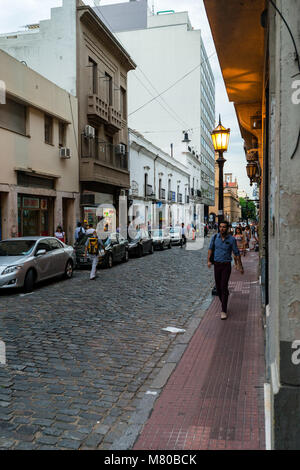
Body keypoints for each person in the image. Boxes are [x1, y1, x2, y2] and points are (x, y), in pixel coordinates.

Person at [207, 221, 244, 320]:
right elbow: (210, 249)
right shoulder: (215, 238)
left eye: (224, 227)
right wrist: (208, 261)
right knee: (218, 288)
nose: (222, 228)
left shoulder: (231, 239)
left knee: (223, 286)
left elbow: (236, 253)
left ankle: (223, 310)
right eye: (220, 227)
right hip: (217, 265)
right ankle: (224, 299)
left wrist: (240, 266)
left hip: (226, 265)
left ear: (227, 228)